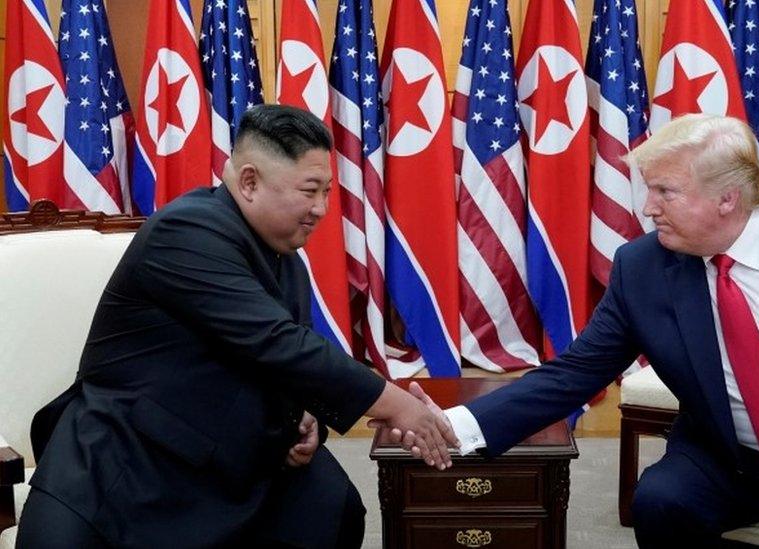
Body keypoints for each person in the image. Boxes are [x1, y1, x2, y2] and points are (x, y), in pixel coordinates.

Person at [409, 114, 759, 548]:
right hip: (735, 461)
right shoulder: (642, 266)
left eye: (665, 192)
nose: (647, 209)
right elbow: (575, 374)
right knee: (661, 502)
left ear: (728, 198)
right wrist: (457, 424)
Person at [17, 104, 458, 549]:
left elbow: (289, 360)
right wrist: (395, 404)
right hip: (131, 462)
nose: (322, 209)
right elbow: (275, 341)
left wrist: (306, 415)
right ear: (249, 181)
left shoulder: (285, 259)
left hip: (231, 458)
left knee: (332, 506)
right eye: (310, 191)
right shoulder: (186, 231)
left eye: (327, 191)